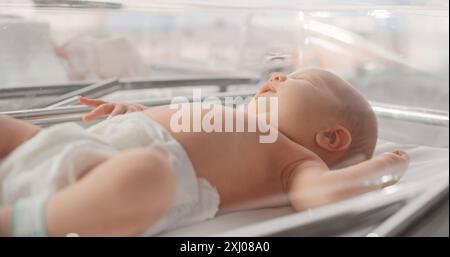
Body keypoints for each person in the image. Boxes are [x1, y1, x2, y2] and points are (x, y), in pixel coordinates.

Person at [0, 69, 409, 236]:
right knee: (9, 127)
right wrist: (136, 114)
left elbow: (320, 196)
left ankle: (26, 222)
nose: (278, 76)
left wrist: (388, 165)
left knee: (147, 173)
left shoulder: (297, 161)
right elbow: (174, 121)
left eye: (302, 81)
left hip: (115, 184)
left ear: (331, 138)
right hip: (85, 146)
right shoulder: (232, 118)